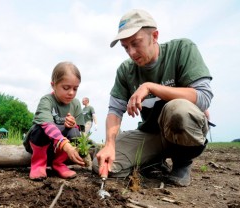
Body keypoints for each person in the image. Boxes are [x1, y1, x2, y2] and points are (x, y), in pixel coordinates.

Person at [94, 9, 213, 187]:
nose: (132, 52)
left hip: (183, 132)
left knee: (178, 110)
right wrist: (110, 144)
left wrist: (151, 87)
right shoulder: (126, 71)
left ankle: (182, 161)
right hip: (151, 134)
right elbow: (114, 111)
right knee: (103, 163)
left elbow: (203, 97)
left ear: (154, 36)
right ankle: (153, 160)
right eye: (125, 47)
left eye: (136, 43)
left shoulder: (182, 49)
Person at [23, 62, 86, 180]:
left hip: (57, 149)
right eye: (66, 88)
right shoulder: (47, 101)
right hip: (39, 144)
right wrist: (65, 145)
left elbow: (80, 132)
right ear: (53, 85)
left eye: (75, 89)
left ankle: (58, 163)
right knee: (40, 128)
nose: (71, 92)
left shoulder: (76, 104)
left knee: (74, 132)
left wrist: (74, 125)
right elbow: (47, 126)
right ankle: (38, 164)